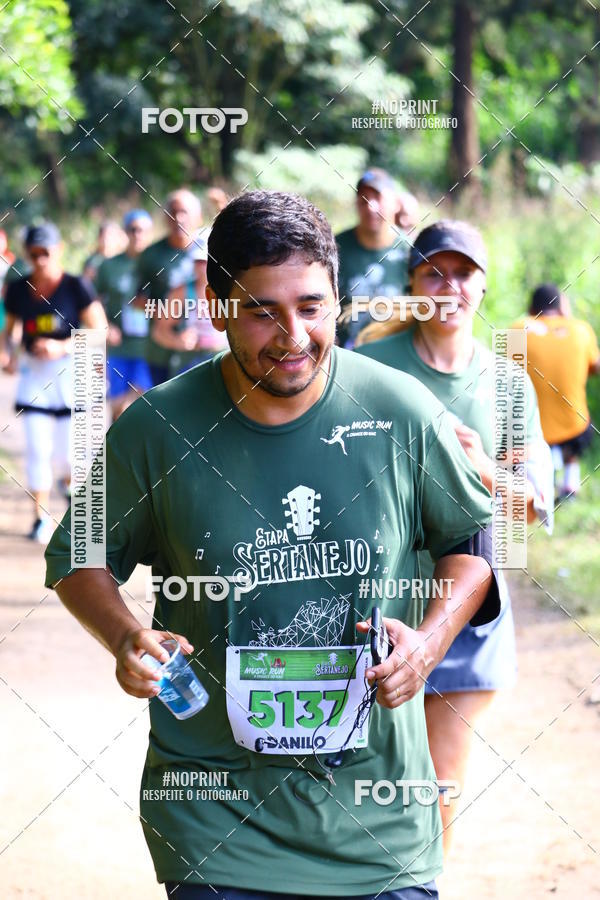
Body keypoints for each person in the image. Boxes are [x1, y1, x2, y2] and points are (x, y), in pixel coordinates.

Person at [45, 190, 500, 899]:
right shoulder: (156, 429)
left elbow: (471, 539)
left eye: (312, 307)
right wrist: (125, 635)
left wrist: (430, 641)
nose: (293, 336)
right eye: (263, 311)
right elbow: (81, 554)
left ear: (338, 300)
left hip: (378, 823)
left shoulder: (401, 410)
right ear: (216, 305)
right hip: (215, 816)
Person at [357, 220, 552, 854]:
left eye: (463, 273)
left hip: (467, 602)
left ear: (483, 285)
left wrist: (480, 467)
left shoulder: (507, 384)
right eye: (433, 274)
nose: (449, 287)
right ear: (412, 285)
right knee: (363, 770)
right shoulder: (369, 365)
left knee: (438, 780)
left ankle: (423, 884)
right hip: (377, 597)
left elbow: (532, 507)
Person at [1, 222, 107, 543]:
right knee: (38, 450)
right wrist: (8, 354)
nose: (40, 259)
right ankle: (40, 518)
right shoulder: (18, 289)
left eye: (46, 252)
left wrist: (62, 347)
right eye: (34, 253)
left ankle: (70, 492)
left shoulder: (76, 286)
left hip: (70, 374)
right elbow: (9, 330)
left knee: (69, 456)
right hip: (34, 375)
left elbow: (99, 330)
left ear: (58, 250)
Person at [512, 282, 600, 501]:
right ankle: (570, 483)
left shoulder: (517, 329)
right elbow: (595, 367)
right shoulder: (580, 330)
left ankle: (541, 482)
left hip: (530, 428)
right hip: (573, 427)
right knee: (578, 417)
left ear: (532, 309)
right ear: (561, 306)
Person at [135, 188, 204, 386]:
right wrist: (166, 312)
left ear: (198, 217)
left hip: (203, 350)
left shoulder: (210, 250)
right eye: (173, 212)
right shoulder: (151, 255)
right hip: (161, 350)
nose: (178, 218)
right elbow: (136, 301)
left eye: (184, 212)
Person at [336, 168, 410, 349]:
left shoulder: (411, 252)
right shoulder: (335, 248)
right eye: (364, 200)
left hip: (395, 352)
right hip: (347, 352)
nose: (370, 207)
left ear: (395, 203)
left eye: (378, 198)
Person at [95, 209, 154, 418]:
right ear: (125, 232)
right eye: (132, 229)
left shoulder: (159, 263)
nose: (137, 235)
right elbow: (93, 302)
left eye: (142, 230)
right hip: (119, 347)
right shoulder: (109, 266)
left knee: (143, 405)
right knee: (118, 411)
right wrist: (106, 326)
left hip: (150, 348)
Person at [152, 231, 229, 378]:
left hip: (224, 361)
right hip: (190, 363)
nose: (201, 267)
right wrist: (177, 341)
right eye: (197, 261)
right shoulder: (181, 292)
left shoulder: (234, 290)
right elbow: (159, 332)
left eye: (206, 261)